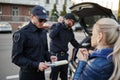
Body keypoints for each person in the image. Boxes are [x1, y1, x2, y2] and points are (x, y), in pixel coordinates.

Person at [12, 5, 57, 80]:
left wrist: (49, 57)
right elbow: (16, 58)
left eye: (45, 20)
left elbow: (45, 51)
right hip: (28, 75)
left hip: (41, 74)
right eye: (40, 20)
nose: (43, 22)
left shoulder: (43, 32)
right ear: (32, 16)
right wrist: (36, 65)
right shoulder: (22, 33)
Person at [49, 13, 80, 80]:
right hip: (55, 56)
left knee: (64, 76)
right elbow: (51, 35)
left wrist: (84, 47)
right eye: (73, 21)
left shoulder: (70, 31)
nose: (73, 24)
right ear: (67, 20)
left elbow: (74, 42)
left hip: (65, 56)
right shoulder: (56, 26)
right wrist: (59, 23)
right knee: (54, 76)